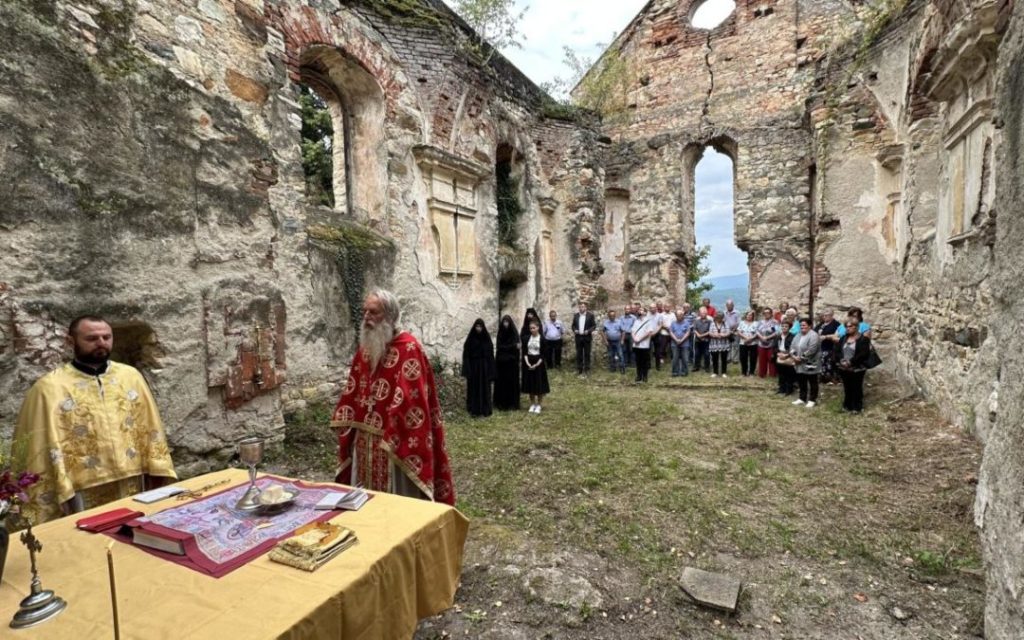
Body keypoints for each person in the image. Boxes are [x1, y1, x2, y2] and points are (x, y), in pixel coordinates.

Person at [14, 315, 177, 524]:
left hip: (132, 477)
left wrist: (156, 467)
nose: (101, 343)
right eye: (92, 338)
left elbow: (150, 424)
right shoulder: (49, 388)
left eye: (106, 337)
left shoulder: (130, 376)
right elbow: (37, 444)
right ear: (70, 342)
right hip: (82, 486)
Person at [331, 289, 455, 504]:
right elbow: (353, 390)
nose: (367, 317)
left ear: (390, 315)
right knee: (363, 499)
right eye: (365, 312)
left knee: (396, 501)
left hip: (396, 441)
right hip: (363, 439)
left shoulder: (409, 348)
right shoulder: (366, 349)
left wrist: (392, 425)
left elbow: (413, 400)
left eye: (374, 312)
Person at [461, 319, 494, 417]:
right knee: (474, 387)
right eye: (477, 326)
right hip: (474, 367)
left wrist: (491, 370)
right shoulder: (470, 340)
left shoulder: (487, 339)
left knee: (484, 387)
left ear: (483, 327)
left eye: (480, 326)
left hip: (484, 368)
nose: (478, 328)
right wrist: (467, 369)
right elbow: (466, 355)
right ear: (474, 327)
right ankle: (474, 408)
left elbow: (491, 356)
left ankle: (485, 408)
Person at [837, 320, 872, 413]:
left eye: (850, 326)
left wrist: (851, 362)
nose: (847, 328)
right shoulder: (843, 338)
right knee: (847, 387)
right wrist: (841, 360)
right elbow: (837, 351)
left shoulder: (863, 339)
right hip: (844, 367)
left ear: (856, 327)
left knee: (856, 387)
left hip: (857, 368)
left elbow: (864, 354)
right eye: (846, 327)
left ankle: (857, 407)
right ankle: (847, 405)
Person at [791, 318, 821, 408]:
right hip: (799, 362)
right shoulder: (798, 335)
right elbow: (792, 346)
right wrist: (793, 356)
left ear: (810, 325)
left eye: (804, 325)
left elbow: (812, 349)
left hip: (811, 362)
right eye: (800, 325)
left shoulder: (814, 335)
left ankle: (812, 400)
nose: (802, 327)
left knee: (812, 381)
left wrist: (800, 358)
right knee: (802, 380)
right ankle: (802, 398)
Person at [493, 315, 521, 411]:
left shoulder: (514, 333)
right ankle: (501, 404)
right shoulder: (500, 334)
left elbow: (517, 348)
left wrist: (509, 348)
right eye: (504, 322)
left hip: (512, 364)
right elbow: (499, 347)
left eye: (507, 322)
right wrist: (512, 346)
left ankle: (512, 404)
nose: (505, 324)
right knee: (502, 384)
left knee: (511, 383)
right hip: (502, 364)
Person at [522, 320, 550, 413]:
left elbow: (543, 354)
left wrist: (536, 364)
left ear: (538, 328)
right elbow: (525, 352)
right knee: (530, 385)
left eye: (534, 328)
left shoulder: (542, 339)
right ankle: (532, 403)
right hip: (529, 362)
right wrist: (527, 363)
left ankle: (539, 404)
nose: (532, 330)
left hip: (539, 363)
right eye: (531, 328)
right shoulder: (526, 338)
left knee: (539, 385)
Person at [631, 306, 656, 383]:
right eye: (639, 310)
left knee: (644, 362)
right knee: (638, 361)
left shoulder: (648, 321)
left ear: (645, 312)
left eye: (641, 310)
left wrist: (639, 339)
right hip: (636, 345)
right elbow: (632, 331)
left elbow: (649, 332)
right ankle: (639, 376)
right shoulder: (636, 321)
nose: (640, 311)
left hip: (644, 345)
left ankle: (645, 377)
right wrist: (634, 339)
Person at [816, 309, 841, 384]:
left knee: (827, 361)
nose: (825, 317)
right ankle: (822, 377)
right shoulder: (821, 324)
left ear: (831, 315)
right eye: (824, 315)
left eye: (827, 315)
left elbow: (838, 335)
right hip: (820, 347)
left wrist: (826, 337)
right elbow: (814, 331)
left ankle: (830, 378)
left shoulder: (836, 324)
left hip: (830, 347)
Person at [571, 302, 597, 376]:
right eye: (580, 307)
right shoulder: (576, 316)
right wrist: (574, 330)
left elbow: (594, 326)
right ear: (579, 308)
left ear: (586, 308)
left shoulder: (590, 316)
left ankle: (587, 369)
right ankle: (579, 369)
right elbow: (573, 326)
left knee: (587, 354)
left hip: (587, 337)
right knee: (579, 354)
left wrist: (588, 331)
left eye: (583, 307)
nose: (581, 308)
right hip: (578, 337)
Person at [774, 319, 797, 395]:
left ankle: (789, 390)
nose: (784, 328)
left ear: (789, 328)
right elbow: (774, 347)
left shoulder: (793, 336)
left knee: (789, 374)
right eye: (783, 326)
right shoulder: (778, 336)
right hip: (779, 355)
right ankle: (781, 389)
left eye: (786, 326)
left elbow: (794, 348)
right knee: (781, 374)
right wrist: (778, 353)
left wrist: (786, 355)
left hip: (788, 356)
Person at [756, 308, 779, 378]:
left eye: (768, 312)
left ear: (771, 313)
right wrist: (761, 337)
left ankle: (772, 375)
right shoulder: (760, 322)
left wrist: (767, 337)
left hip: (771, 343)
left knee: (771, 359)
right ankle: (762, 374)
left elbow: (776, 332)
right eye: (765, 313)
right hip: (761, 343)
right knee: (762, 359)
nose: (766, 314)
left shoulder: (774, 322)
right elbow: (757, 330)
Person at [601, 308, 626, 374]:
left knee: (620, 355)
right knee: (611, 355)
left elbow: (623, 331)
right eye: (610, 316)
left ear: (615, 316)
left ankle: (622, 368)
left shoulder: (619, 322)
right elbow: (602, 331)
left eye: (613, 315)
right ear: (608, 316)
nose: (612, 317)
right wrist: (605, 340)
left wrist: (622, 340)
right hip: (609, 341)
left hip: (618, 341)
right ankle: (613, 368)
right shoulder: (606, 322)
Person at [669, 309, 692, 377]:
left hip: (685, 344)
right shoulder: (673, 323)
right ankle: (675, 372)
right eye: (678, 315)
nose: (679, 316)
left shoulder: (687, 323)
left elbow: (688, 332)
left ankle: (684, 372)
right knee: (675, 358)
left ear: (683, 316)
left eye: (681, 315)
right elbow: (671, 332)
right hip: (674, 343)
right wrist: (676, 339)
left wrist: (681, 340)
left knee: (685, 358)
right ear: (676, 316)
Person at [708, 310, 731, 378]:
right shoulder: (712, 324)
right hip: (714, 344)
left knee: (724, 359)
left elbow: (728, 332)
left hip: (724, 344)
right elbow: (710, 332)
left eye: (721, 317)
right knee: (715, 359)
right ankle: (715, 372)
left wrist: (722, 335)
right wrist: (715, 335)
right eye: (718, 317)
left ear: (722, 317)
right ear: (716, 317)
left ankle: (724, 372)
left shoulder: (725, 324)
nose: (719, 319)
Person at [737, 310, 759, 377]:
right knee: (743, 358)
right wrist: (746, 338)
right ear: (746, 316)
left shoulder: (756, 323)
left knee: (753, 358)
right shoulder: (742, 323)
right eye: (748, 315)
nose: (749, 316)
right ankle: (744, 372)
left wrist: (751, 339)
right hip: (743, 343)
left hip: (753, 343)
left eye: (751, 315)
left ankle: (751, 372)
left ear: (753, 316)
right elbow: (739, 332)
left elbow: (758, 332)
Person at [692, 306, 712, 373]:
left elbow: (710, 331)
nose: (703, 314)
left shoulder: (709, 321)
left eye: (704, 313)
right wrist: (698, 335)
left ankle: (707, 367)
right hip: (697, 340)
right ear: (699, 314)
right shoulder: (696, 321)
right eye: (701, 313)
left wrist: (702, 335)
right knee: (697, 354)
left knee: (706, 354)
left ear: (706, 313)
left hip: (706, 340)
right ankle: (696, 366)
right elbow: (694, 329)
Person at [654, 301, 672, 371]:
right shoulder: (660, 315)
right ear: (664, 308)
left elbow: (674, 322)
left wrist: (670, 329)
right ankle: (661, 358)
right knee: (662, 346)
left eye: (668, 306)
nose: (667, 308)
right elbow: (660, 323)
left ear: (670, 307)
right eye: (666, 307)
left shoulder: (673, 314)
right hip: (663, 332)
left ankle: (670, 358)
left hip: (671, 333)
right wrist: (666, 328)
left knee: (671, 346)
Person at [723, 300, 741, 364]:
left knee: (736, 345)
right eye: (728, 305)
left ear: (733, 305)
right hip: (727, 331)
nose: (729, 307)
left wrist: (733, 330)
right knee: (727, 345)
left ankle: (735, 359)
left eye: (730, 305)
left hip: (735, 331)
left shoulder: (737, 313)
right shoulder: (724, 313)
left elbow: (738, 322)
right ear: (726, 306)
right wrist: (728, 330)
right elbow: (723, 322)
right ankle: (728, 358)